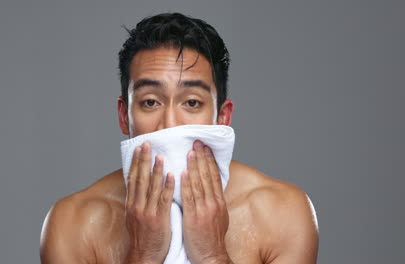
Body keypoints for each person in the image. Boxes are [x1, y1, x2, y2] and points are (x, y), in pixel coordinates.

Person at [40, 12, 319, 264]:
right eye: (150, 102)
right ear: (124, 116)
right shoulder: (73, 223)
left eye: (193, 103)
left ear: (223, 118)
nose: (170, 124)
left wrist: (212, 255)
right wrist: (142, 255)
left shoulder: (283, 214)